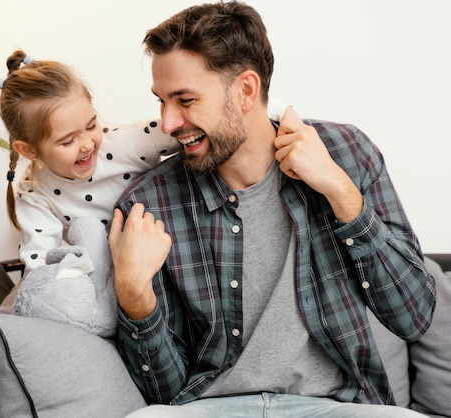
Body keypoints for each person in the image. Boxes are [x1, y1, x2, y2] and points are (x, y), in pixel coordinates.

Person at [108, 2, 436, 417]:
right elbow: (165, 392)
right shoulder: (148, 205)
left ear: (246, 89)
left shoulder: (347, 154)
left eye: (186, 100)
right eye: (162, 101)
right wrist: (134, 297)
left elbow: (414, 318)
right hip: (213, 409)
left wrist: (340, 192)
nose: (169, 122)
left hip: (334, 406)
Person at [0, 50, 291, 336]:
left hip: (162, 266)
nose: (87, 143)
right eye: (67, 140)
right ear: (28, 149)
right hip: (102, 287)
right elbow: (40, 269)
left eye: (90, 125)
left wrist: (276, 114)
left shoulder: (124, 143)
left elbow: (199, 129)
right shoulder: (35, 195)